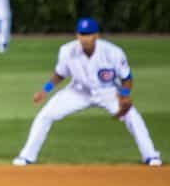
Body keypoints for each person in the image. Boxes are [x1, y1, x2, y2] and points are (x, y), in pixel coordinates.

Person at [14, 18, 162, 167]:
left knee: (132, 117)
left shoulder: (113, 52)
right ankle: (26, 156)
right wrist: (45, 90)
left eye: (89, 34)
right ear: (77, 35)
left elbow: (126, 78)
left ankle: (150, 156)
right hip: (77, 91)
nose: (85, 38)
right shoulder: (67, 51)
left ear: (96, 36)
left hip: (108, 92)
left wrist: (124, 95)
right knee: (45, 115)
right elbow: (60, 74)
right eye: (82, 34)